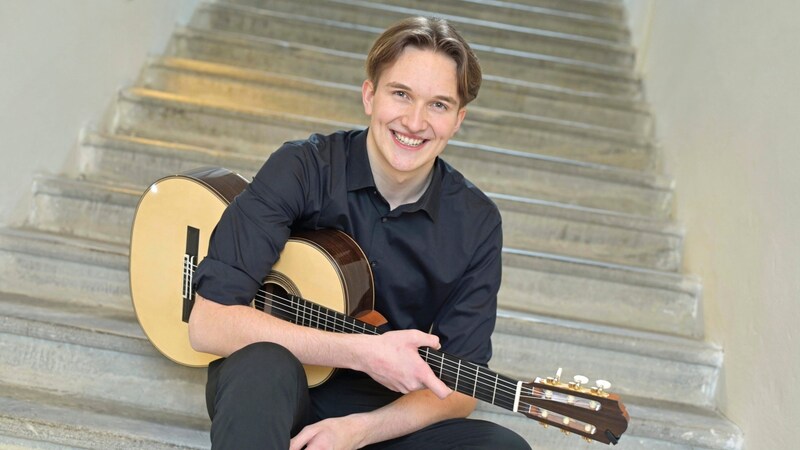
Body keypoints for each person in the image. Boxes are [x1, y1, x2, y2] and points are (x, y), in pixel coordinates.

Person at [189, 16, 531, 450]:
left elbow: (460, 390)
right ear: (369, 95)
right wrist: (360, 351)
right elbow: (207, 323)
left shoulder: (476, 223)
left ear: (458, 120)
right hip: (275, 390)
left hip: (379, 412)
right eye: (401, 94)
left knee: (503, 448)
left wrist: (356, 430)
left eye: (439, 105)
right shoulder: (303, 168)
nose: (415, 121)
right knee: (260, 365)